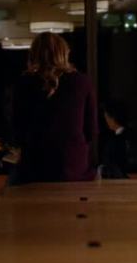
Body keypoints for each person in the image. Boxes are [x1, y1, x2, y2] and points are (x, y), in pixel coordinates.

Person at [12, 32, 98, 183]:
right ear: (64, 53)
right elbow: (91, 131)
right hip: (74, 170)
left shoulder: (24, 83)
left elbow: (17, 131)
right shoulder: (83, 82)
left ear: (33, 54)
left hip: (35, 170)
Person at [99, 99, 130, 179]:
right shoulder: (118, 136)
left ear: (113, 118)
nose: (106, 121)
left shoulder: (120, 139)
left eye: (106, 117)